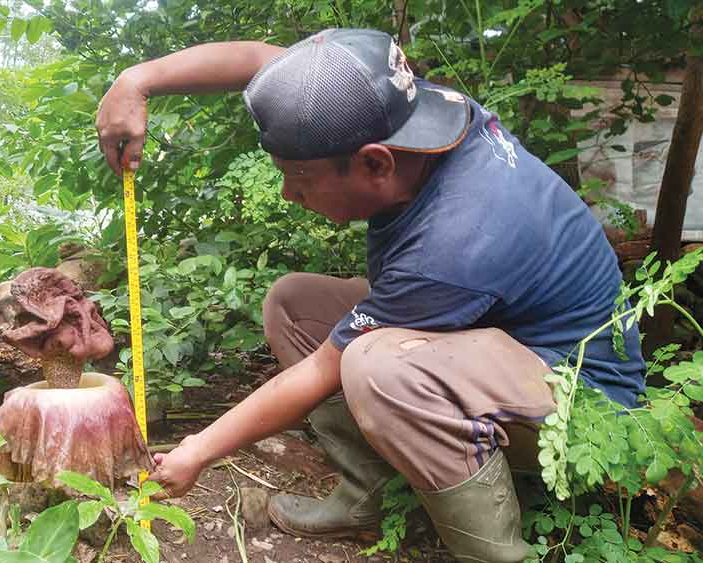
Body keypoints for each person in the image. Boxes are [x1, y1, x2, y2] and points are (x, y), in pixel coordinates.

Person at [96, 28, 645, 563]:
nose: (287, 194)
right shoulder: (401, 110)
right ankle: (369, 497)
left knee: (378, 366)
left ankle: (494, 552)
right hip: (497, 340)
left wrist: (197, 450)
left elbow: (323, 371)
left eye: (299, 177)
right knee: (294, 306)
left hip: (582, 407)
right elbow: (263, 61)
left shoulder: (456, 241)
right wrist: (138, 80)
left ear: (376, 163)